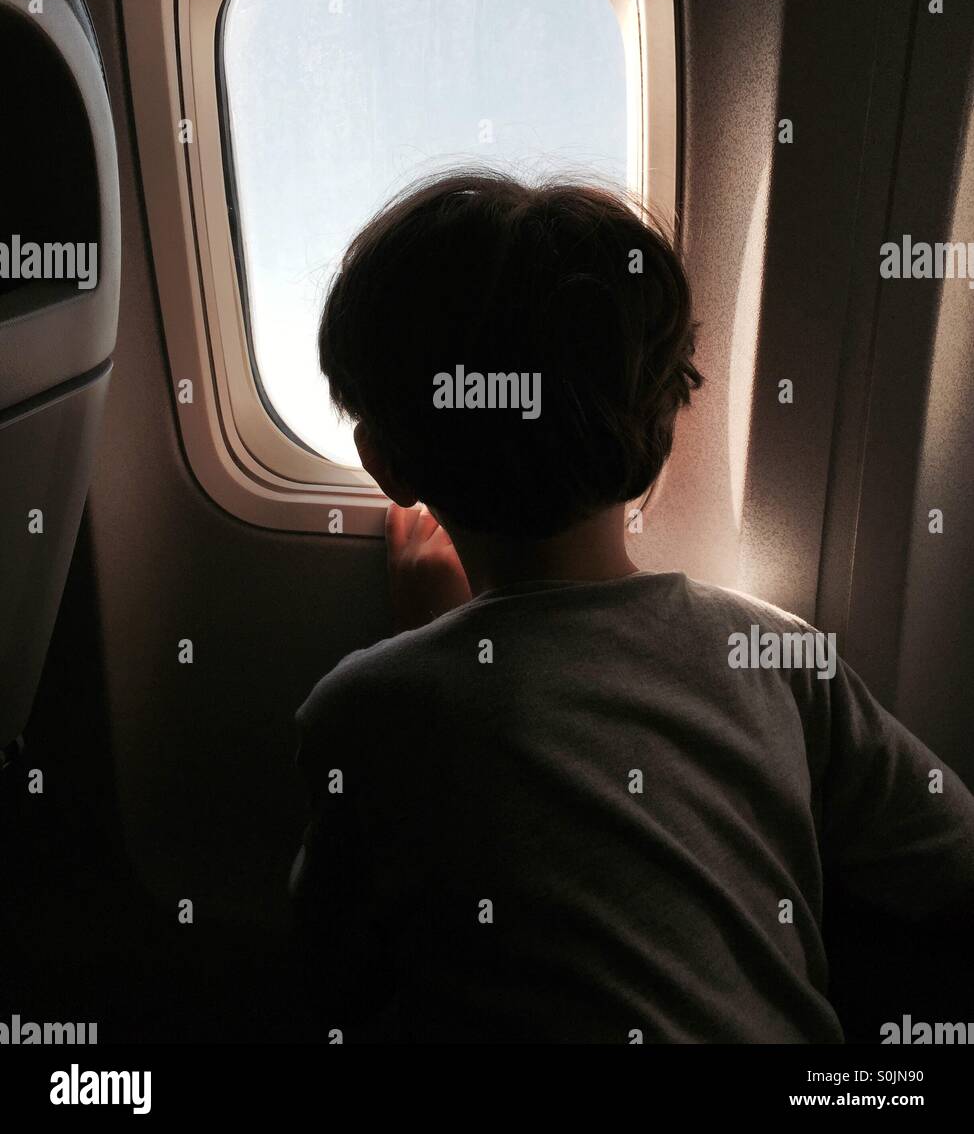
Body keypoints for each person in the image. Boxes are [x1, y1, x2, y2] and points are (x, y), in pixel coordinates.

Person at [290, 169, 974, 1043]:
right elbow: (952, 862)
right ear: (660, 429)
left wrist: (429, 642)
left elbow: (330, 980)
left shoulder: (360, 712)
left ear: (386, 467)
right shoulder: (777, 655)